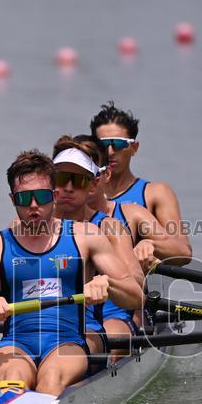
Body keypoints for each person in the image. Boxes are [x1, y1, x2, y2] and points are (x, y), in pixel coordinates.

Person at [0, 150, 142, 396]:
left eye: (41, 196)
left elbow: (137, 296)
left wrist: (108, 284)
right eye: (24, 198)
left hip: (67, 343)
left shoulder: (86, 236)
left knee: (51, 379)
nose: (34, 205)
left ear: (53, 196)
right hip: (15, 344)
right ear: (13, 200)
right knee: (12, 379)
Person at [50, 135, 143, 359]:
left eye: (79, 180)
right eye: (62, 179)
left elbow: (137, 284)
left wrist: (107, 282)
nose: (69, 188)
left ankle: (93, 374)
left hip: (110, 314)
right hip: (55, 316)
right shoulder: (32, 227)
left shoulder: (109, 227)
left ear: (93, 184)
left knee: (109, 335)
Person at [90, 102, 192, 265]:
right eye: (103, 145)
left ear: (134, 147)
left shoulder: (156, 193)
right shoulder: (81, 194)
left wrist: (151, 243)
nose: (109, 152)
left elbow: (183, 252)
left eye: (118, 144)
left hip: (145, 287)